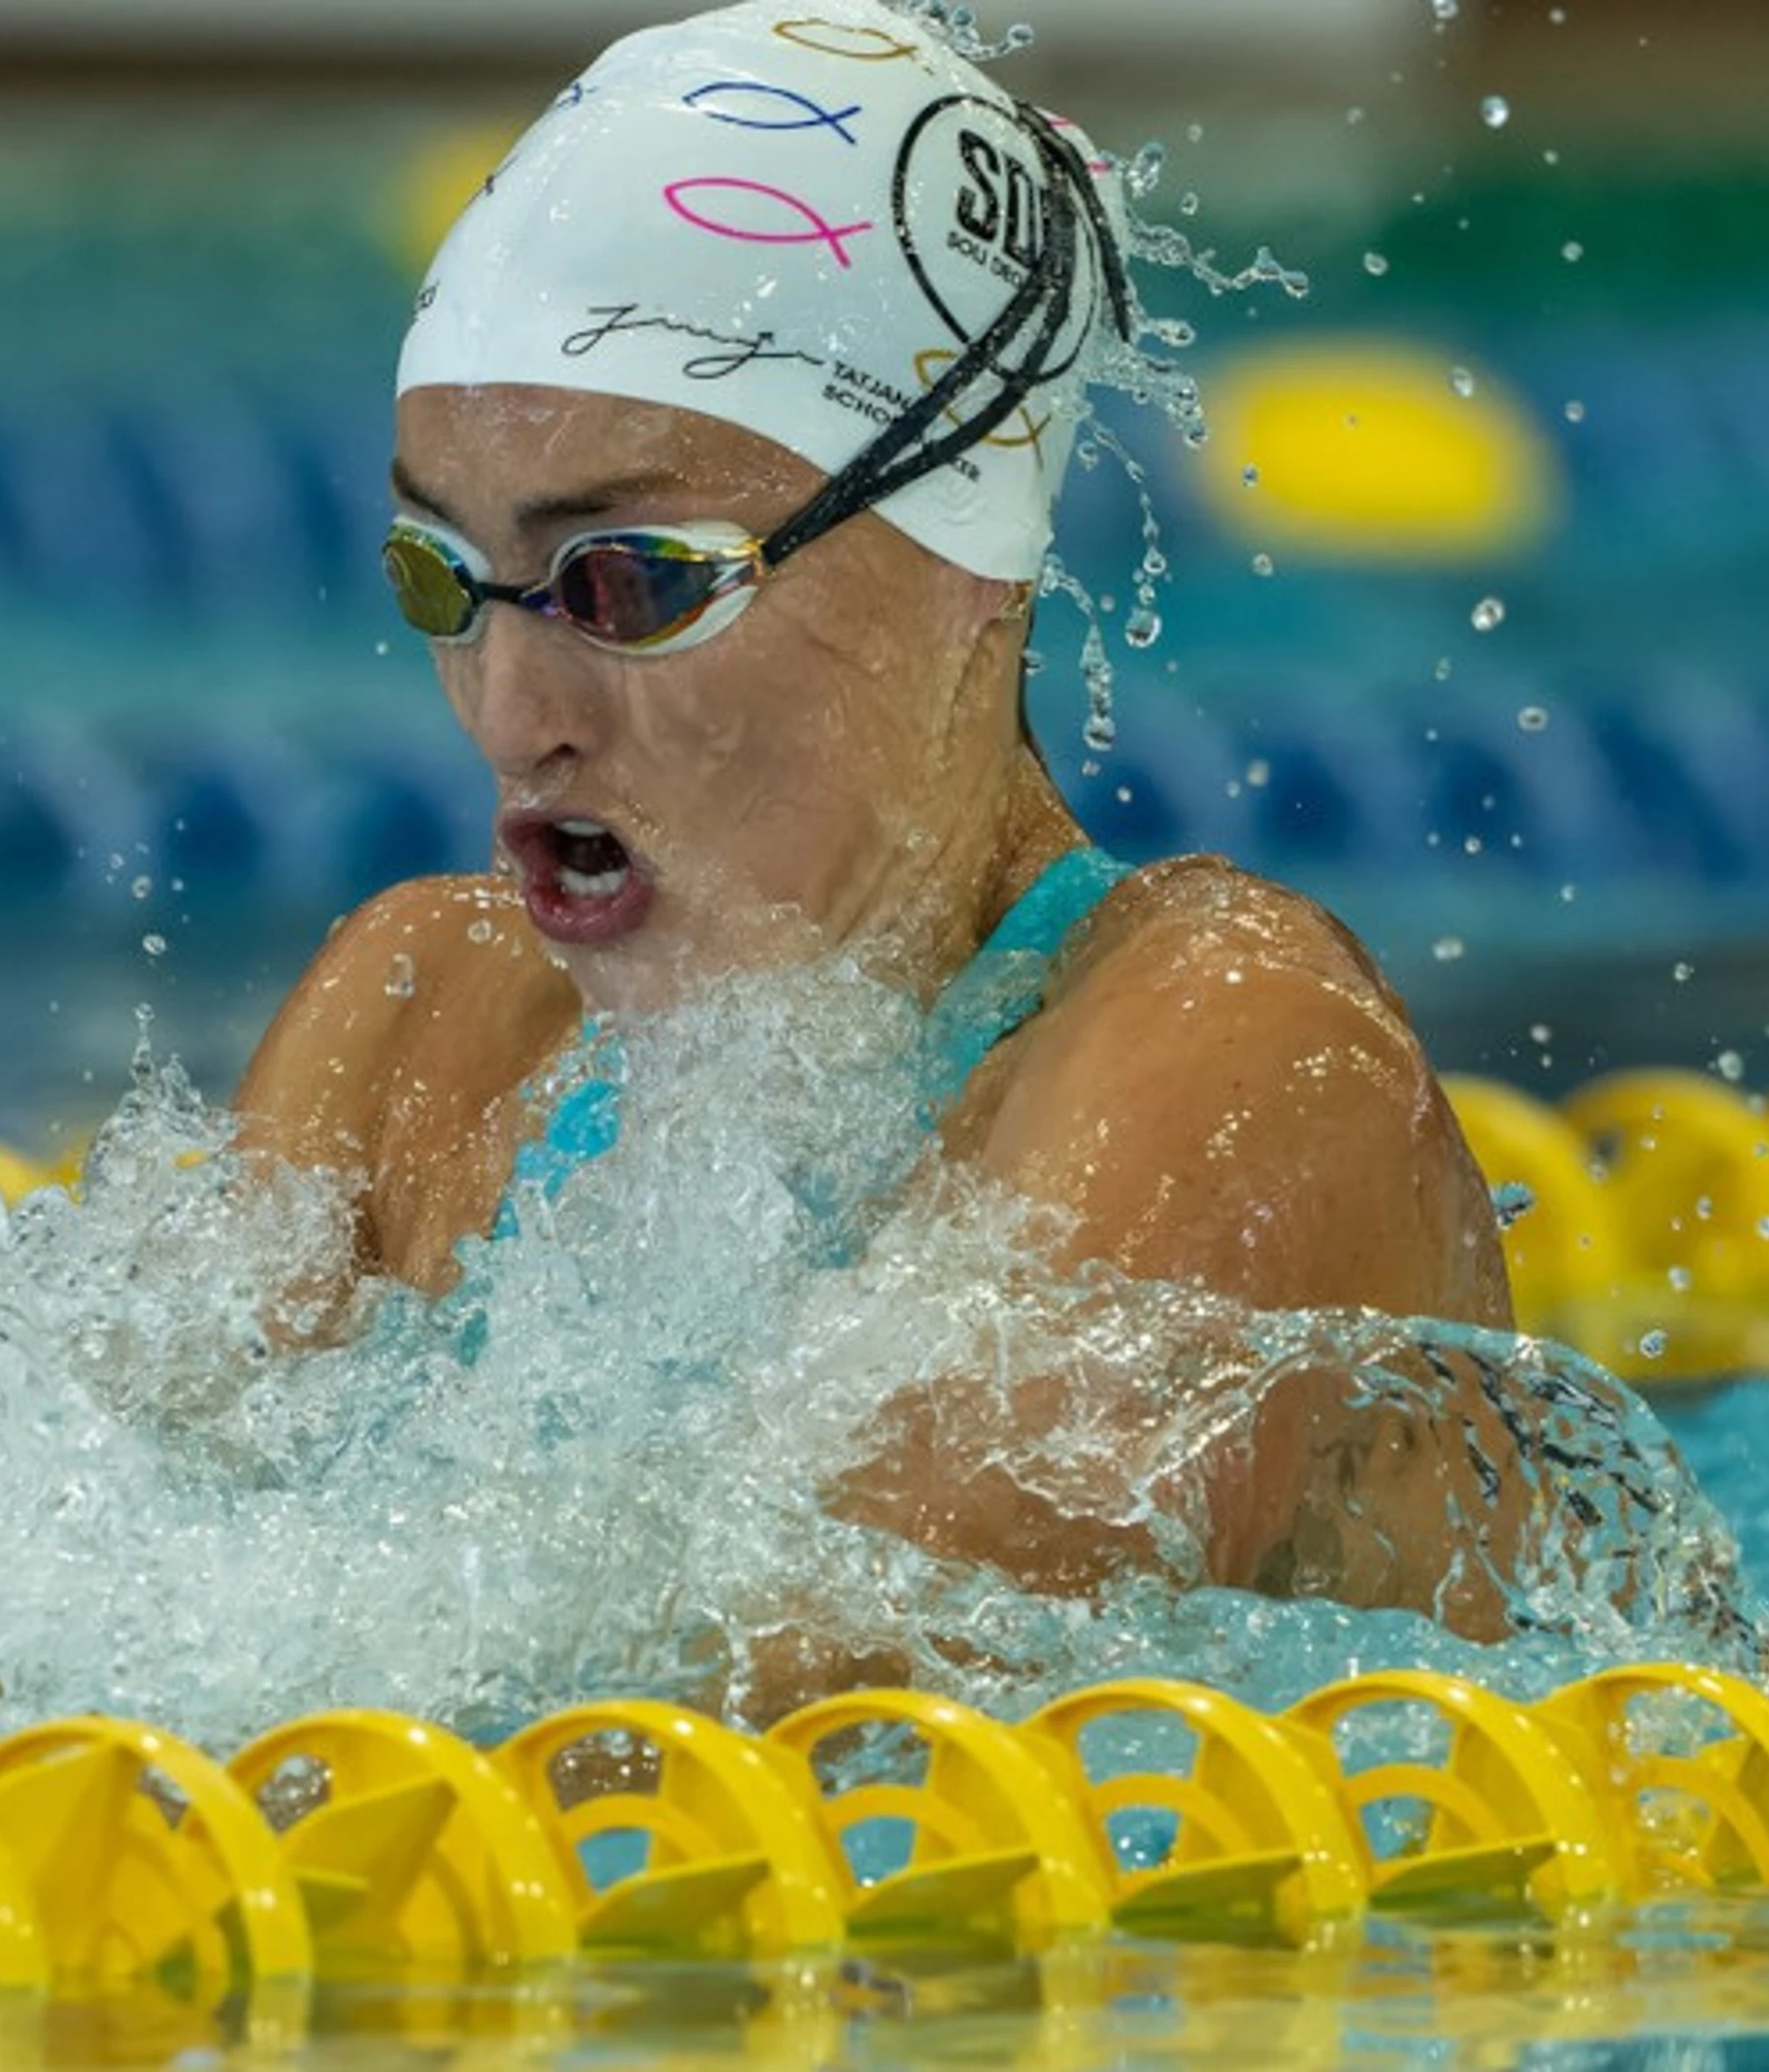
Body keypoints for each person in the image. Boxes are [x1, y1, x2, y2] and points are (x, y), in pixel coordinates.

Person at [230, 2, 1524, 1645]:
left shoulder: (1233, 1054)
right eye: (442, 576)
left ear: (963, 554)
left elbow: (814, 1711)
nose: (508, 715)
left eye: (628, 583)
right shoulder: (417, 1029)